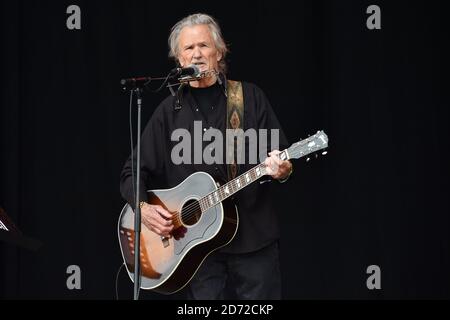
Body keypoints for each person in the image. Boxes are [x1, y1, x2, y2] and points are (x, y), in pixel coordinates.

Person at [120, 13, 293, 300]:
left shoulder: (249, 97)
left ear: (219, 51)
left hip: (254, 240)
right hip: (197, 250)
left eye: (204, 45)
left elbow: (283, 160)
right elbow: (132, 171)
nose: (197, 54)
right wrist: (143, 207)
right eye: (188, 49)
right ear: (178, 59)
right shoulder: (168, 111)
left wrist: (283, 169)